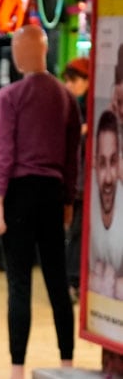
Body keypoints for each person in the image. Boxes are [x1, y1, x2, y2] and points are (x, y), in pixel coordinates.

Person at [0, 25, 80, 379]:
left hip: (19, 194)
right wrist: (68, 200)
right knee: (57, 281)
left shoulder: (9, 97)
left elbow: (3, 151)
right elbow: (72, 156)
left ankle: (16, 369)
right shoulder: (65, 97)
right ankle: (67, 363)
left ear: (22, 53)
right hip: (54, 194)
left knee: (19, 282)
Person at [63, 56, 90, 302]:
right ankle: (72, 280)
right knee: (77, 231)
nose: (70, 85)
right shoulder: (72, 106)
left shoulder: (91, 107)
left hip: (85, 182)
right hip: (76, 183)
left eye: (75, 80)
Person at [89, 110, 123, 298]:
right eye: (102, 163)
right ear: (94, 164)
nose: (108, 177)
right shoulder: (90, 208)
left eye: (113, 161)